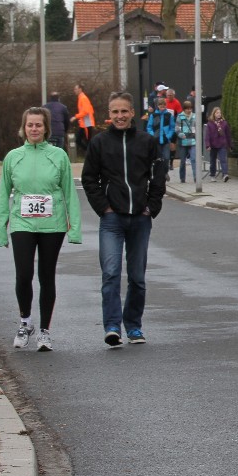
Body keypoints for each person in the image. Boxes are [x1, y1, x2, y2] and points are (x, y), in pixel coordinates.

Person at [81, 91, 166, 348]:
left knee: (137, 277)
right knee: (111, 273)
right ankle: (112, 327)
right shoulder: (99, 143)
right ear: (109, 114)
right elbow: (89, 179)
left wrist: (151, 207)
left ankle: (134, 326)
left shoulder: (147, 142)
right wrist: (104, 208)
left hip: (140, 219)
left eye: (124, 111)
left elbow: (158, 176)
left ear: (132, 113)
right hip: (112, 220)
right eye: (115, 112)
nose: (120, 116)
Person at [0, 107, 82, 352]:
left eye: (38, 125)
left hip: (52, 224)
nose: (34, 129)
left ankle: (44, 330)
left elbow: (70, 193)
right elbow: (3, 193)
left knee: (46, 276)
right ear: (24, 128)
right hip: (22, 223)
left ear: (46, 129)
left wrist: (74, 229)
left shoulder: (58, 156)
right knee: (23, 274)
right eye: (30, 125)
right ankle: (25, 322)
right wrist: (1, 228)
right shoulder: (13, 157)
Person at [146, 96, 175, 168]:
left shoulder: (169, 115)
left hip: (166, 140)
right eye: (161, 106)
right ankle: (159, 172)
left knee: (166, 158)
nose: (162, 107)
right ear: (158, 106)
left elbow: (172, 127)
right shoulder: (153, 115)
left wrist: (168, 135)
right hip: (156, 140)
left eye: (164, 106)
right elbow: (149, 127)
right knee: (158, 159)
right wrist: (153, 135)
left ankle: (165, 172)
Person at [205, 106, 232, 182]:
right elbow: (207, 135)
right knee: (212, 161)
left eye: (220, 113)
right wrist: (208, 145)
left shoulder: (224, 123)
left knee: (223, 160)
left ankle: (225, 174)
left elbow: (228, 135)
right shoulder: (210, 124)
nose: (219, 114)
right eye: (217, 113)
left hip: (222, 144)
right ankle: (213, 175)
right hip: (213, 145)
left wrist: (230, 145)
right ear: (214, 114)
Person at [175, 98, 198, 184]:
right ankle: (182, 178)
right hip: (183, 141)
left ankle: (196, 177)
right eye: (187, 109)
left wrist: (196, 133)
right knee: (182, 161)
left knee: (193, 159)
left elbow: (197, 127)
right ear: (184, 109)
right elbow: (177, 128)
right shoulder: (180, 116)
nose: (189, 110)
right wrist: (181, 135)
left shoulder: (195, 116)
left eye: (190, 108)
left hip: (192, 141)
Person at [73, 84, 95, 154]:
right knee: (83, 141)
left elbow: (85, 111)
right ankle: (90, 154)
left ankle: (91, 154)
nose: (74, 91)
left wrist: (76, 117)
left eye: (75, 89)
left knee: (82, 141)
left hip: (87, 123)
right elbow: (89, 110)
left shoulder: (83, 98)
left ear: (80, 89)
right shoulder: (81, 98)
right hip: (85, 123)